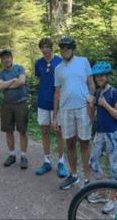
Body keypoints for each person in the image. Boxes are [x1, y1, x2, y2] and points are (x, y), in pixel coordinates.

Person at [53, 36, 95, 190]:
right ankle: (74, 175)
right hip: (65, 110)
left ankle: (88, 179)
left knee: (84, 143)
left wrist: (92, 99)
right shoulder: (58, 68)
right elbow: (57, 93)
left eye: (68, 48)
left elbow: (91, 84)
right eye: (63, 48)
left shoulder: (83, 62)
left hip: (82, 108)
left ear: (73, 49)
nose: (65, 51)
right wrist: (55, 116)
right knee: (70, 143)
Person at [86, 61, 117, 214]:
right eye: (97, 76)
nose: (99, 78)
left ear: (107, 76)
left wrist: (105, 104)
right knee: (93, 161)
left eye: (102, 75)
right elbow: (92, 117)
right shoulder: (96, 92)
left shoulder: (114, 93)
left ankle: (113, 197)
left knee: (113, 166)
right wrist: (90, 104)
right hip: (99, 133)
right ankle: (102, 191)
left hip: (112, 134)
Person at [34, 38, 67, 178]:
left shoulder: (60, 61)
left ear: (51, 48)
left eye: (47, 47)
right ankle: (47, 161)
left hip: (57, 104)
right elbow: (39, 79)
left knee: (59, 131)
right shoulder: (38, 63)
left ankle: (61, 162)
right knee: (44, 131)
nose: (45, 49)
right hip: (42, 102)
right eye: (43, 47)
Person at [0, 48, 29, 170]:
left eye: (8, 57)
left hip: (21, 103)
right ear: (2, 61)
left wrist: (8, 84)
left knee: (22, 131)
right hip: (7, 105)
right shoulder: (1, 73)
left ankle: (23, 156)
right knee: (8, 131)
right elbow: (0, 86)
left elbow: (21, 81)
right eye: (4, 58)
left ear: (11, 58)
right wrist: (13, 80)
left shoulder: (19, 68)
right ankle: (12, 154)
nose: (6, 60)